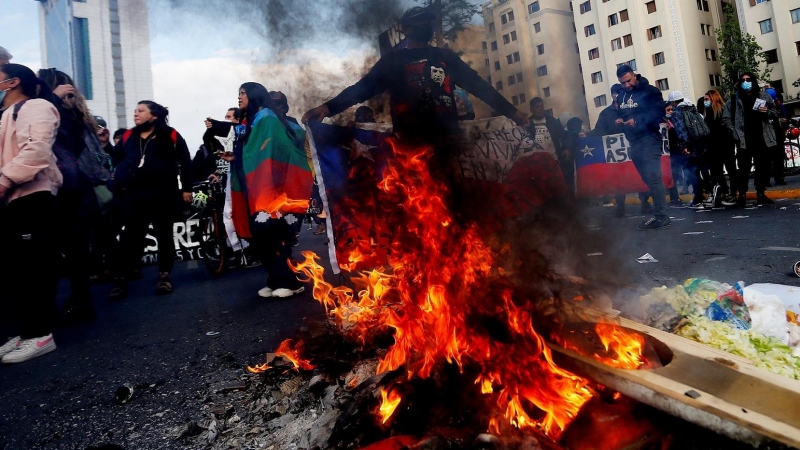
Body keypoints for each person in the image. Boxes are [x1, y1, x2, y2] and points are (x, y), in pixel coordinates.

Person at [302, 7, 528, 141]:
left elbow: (479, 86)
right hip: (409, 144)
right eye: (420, 21)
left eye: (427, 21)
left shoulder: (445, 57)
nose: (425, 24)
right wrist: (328, 108)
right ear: (407, 29)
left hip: (448, 141)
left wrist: (513, 113)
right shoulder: (393, 61)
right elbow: (363, 88)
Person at [0, 63, 62, 363]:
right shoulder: (6, 114)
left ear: (12, 83)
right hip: (14, 198)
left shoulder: (36, 106)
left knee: (36, 265)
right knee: (18, 269)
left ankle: (41, 335)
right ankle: (26, 333)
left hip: (34, 195)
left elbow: (37, 149)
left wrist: (3, 180)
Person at [39, 68, 110, 322]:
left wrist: (52, 99)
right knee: (74, 249)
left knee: (63, 249)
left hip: (65, 189)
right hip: (76, 189)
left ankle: (76, 302)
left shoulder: (59, 112)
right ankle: (79, 300)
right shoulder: (73, 113)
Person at [229, 82, 312, 298]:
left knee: (274, 234)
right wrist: (236, 157)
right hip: (255, 187)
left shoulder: (267, 118)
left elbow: (274, 151)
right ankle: (276, 280)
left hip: (273, 190)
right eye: (238, 94)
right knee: (261, 236)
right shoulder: (254, 120)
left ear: (254, 96)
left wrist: (247, 156)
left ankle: (290, 282)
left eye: (243, 94)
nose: (239, 98)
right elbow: (252, 151)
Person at [108, 101, 193, 300]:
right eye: (135, 110)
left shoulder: (170, 135)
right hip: (135, 196)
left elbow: (186, 162)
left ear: (153, 116)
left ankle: (164, 276)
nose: (135, 114)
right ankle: (120, 280)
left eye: (140, 111)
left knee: (164, 236)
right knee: (130, 238)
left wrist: (187, 188)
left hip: (164, 195)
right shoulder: (129, 136)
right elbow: (114, 158)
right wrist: (119, 179)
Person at [616, 65, 670, 230]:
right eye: (622, 83)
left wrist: (638, 120)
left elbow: (659, 111)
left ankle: (661, 216)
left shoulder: (650, 91)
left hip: (649, 139)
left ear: (634, 75)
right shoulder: (621, 96)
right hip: (634, 142)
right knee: (648, 179)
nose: (626, 85)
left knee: (653, 177)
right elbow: (622, 114)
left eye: (628, 81)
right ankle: (659, 211)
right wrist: (620, 122)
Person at [722, 72, 779, 207]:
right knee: (743, 169)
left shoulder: (764, 96)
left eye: (748, 79)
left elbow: (775, 113)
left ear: (753, 81)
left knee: (763, 167)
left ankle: (760, 193)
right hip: (743, 140)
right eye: (743, 80)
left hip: (762, 137)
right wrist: (733, 131)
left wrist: (767, 112)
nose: (746, 82)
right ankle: (741, 194)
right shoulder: (734, 99)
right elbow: (726, 118)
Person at [665, 90, 707, 208]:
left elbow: (681, 131)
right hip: (698, 145)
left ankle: (697, 199)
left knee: (691, 173)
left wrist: (684, 147)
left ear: (673, 102)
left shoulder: (677, 113)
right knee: (696, 172)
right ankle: (701, 196)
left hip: (688, 147)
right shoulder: (691, 109)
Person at [703, 90, 737, 207]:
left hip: (720, 146)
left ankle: (728, 192)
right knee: (727, 170)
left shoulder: (716, 112)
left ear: (713, 98)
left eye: (707, 99)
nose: (705, 102)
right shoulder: (716, 111)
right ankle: (730, 192)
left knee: (720, 171)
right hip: (724, 145)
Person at [528, 97, 568, 188]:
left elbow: (564, 136)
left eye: (542, 106)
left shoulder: (552, 121)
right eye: (538, 107)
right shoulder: (528, 124)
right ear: (531, 109)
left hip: (554, 160)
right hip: (536, 164)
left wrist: (566, 148)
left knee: (558, 187)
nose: (541, 109)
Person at [765, 86, 788, 186]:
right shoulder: (769, 106)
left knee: (775, 158)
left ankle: (774, 179)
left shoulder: (778, 105)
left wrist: (783, 121)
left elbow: (785, 116)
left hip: (776, 134)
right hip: (770, 135)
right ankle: (774, 179)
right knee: (770, 159)